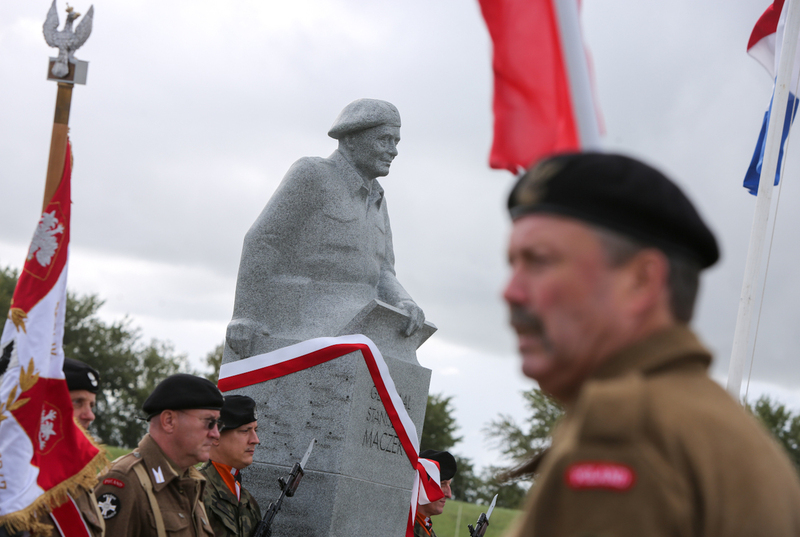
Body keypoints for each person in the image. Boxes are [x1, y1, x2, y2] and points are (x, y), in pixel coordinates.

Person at [502, 152, 800, 536]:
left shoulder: (629, 431)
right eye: (513, 264)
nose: (511, 291)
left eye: (539, 261)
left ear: (642, 281)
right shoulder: (728, 434)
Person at [226, 98, 425, 361]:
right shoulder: (312, 174)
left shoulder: (378, 198)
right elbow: (264, 241)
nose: (393, 151)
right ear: (351, 139)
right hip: (307, 322)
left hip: (364, 323)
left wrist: (404, 302)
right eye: (384, 140)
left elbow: (384, 271)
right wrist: (244, 315)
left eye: (395, 142)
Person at [94, 374, 223, 537]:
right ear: (169, 421)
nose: (216, 434)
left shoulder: (191, 481)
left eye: (218, 424)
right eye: (209, 422)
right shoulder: (124, 481)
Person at [200, 395, 261, 537]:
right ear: (216, 436)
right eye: (245, 431)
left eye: (255, 430)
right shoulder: (194, 490)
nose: (255, 440)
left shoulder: (248, 502)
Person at [414, 450, 456, 537]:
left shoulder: (425, 526)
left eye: (449, 485)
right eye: (442, 484)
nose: (449, 494)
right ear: (421, 485)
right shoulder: (402, 528)